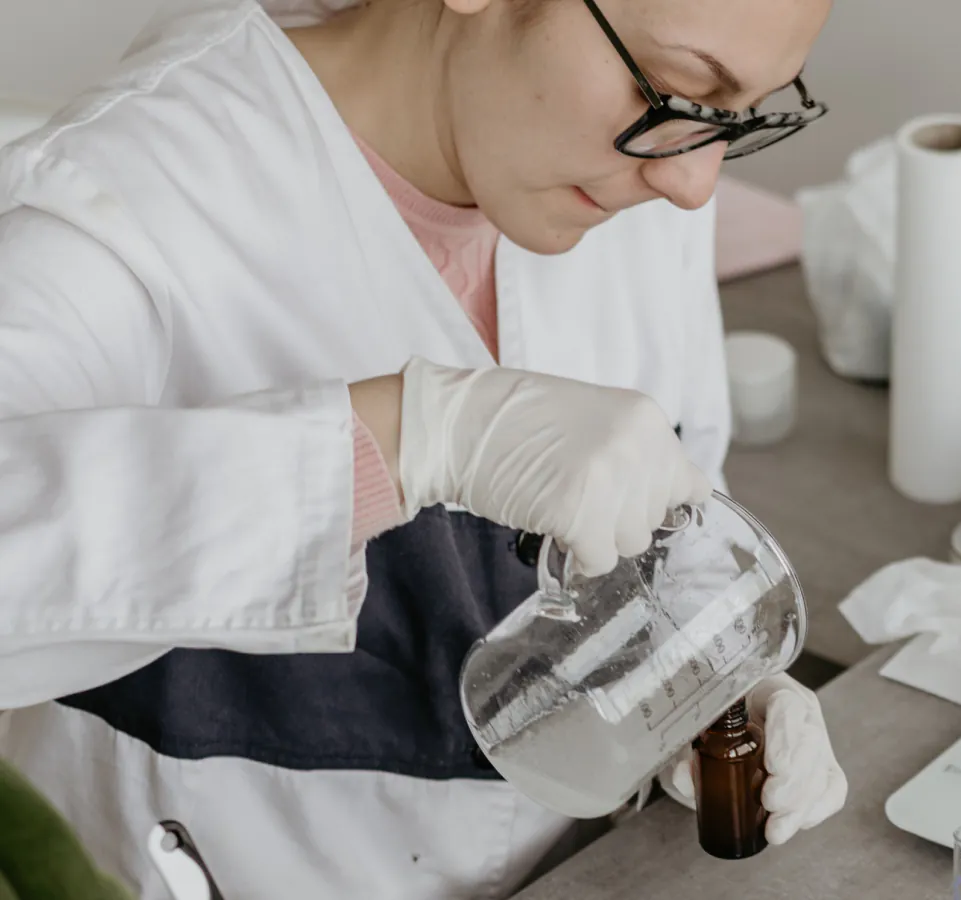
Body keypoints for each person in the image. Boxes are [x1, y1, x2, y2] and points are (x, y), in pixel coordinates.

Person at [0, 0, 846, 895]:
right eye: (675, 88)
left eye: (738, 116)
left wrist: (704, 678)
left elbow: (675, 515)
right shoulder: (123, 197)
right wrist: (406, 440)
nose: (694, 184)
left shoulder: (638, 177)